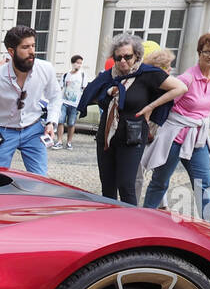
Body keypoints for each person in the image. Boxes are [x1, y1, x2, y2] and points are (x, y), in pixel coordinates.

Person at [76, 33, 188, 205]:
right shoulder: (108, 77)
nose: (122, 61)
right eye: (118, 57)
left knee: (127, 186)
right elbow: (89, 94)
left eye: (127, 57)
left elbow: (180, 87)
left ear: (137, 55)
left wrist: (151, 106)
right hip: (107, 138)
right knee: (107, 187)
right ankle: (109, 227)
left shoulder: (147, 74)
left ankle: (131, 226)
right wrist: (107, 94)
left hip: (132, 138)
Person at [141, 32, 210, 218]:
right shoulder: (186, 78)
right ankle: (144, 221)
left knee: (203, 184)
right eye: (206, 51)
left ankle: (209, 227)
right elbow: (165, 104)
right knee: (160, 182)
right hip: (175, 136)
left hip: (198, 138)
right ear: (199, 52)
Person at [0, 25, 61, 176]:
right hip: (4, 133)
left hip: (34, 130)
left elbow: (55, 96)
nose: (32, 51)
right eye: (25, 47)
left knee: (40, 180)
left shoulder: (45, 69)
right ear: (11, 51)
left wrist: (51, 122)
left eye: (33, 45)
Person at [53, 54, 87, 151]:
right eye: (77, 63)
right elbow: (61, 87)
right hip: (64, 101)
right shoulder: (66, 75)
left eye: (80, 63)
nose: (79, 65)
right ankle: (59, 141)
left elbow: (84, 89)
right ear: (73, 63)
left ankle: (69, 142)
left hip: (75, 103)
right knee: (60, 121)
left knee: (71, 123)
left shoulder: (82, 75)